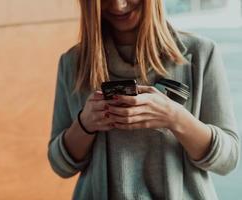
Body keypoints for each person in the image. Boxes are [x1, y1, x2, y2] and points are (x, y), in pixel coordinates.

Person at [47, 0, 240, 199]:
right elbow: (60, 165)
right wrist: (85, 124)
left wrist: (175, 118)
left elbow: (228, 159)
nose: (118, 6)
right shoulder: (72, 64)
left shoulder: (201, 53)